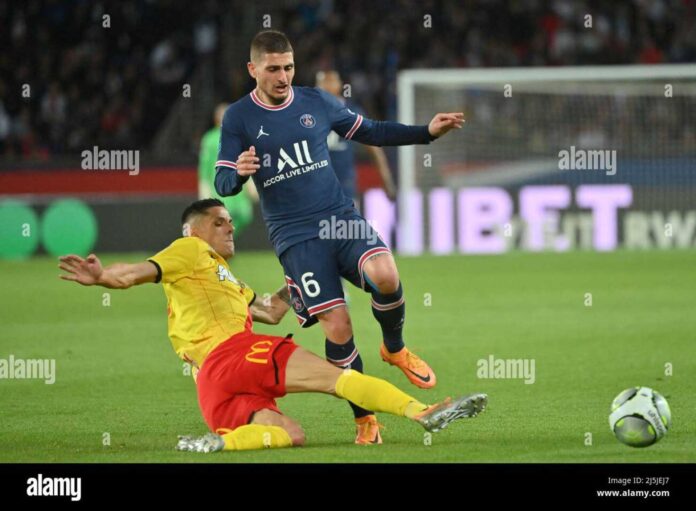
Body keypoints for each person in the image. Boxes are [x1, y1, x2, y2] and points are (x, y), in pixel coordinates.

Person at [58, 198, 487, 452]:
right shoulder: (188, 249)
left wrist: (293, 285)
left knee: (291, 435)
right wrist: (101, 277)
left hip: (212, 384)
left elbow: (270, 311)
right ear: (194, 229)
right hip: (232, 356)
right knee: (338, 378)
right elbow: (134, 273)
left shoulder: (221, 275)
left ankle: (220, 443)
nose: (230, 226)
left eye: (230, 220)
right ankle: (423, 412)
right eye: (218, 221)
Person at [214, 30, 465, 444]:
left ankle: (395, 348)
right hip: (295, 237)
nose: (283, 76)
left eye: (289, 67)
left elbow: (373, 132)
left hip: (338, 217)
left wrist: (426, 132)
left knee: (385, 273)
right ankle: (364, 418)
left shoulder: (316, 101)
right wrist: (237, 174)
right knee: (338, 326)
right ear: (253, 69)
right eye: (273, 68)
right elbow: (222, 182)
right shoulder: (239, 118)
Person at [315, 70, 397, 204]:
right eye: (323, 82)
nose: (327, 86)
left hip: (345, 190)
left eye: (331, 81)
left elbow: (374, 148)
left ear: (339, 85)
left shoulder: (352, 113)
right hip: (314, 193)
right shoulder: (307, 114)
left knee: (346, 225)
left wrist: (386, 181)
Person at [198, 103, 258, 236]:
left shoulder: (239, 135)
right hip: (219, 185)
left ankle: (222, 242)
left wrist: (250, 183)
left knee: (245, 215)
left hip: (238, 184)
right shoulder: (209, 139)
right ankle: (217, 245)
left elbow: (246, 160)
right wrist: (204, 187)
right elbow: (204, 165)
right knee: (223, 218)